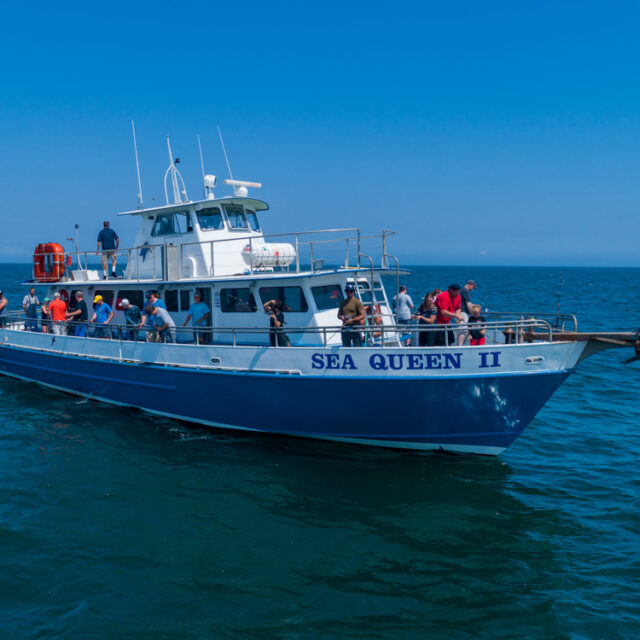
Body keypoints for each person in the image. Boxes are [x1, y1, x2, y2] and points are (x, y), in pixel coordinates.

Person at [457, 280, 477, 346]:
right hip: (463, 313)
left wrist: (473, 305)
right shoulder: (466, 291)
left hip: (458, 312)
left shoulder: (461, 290)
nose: (472, 289)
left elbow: (463, 302)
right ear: (470, 285)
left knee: (461, 329)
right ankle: (459, 346)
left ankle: (459, 345)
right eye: (473, 287)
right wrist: (473, 314)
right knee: (463, 330)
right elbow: (468, 304)